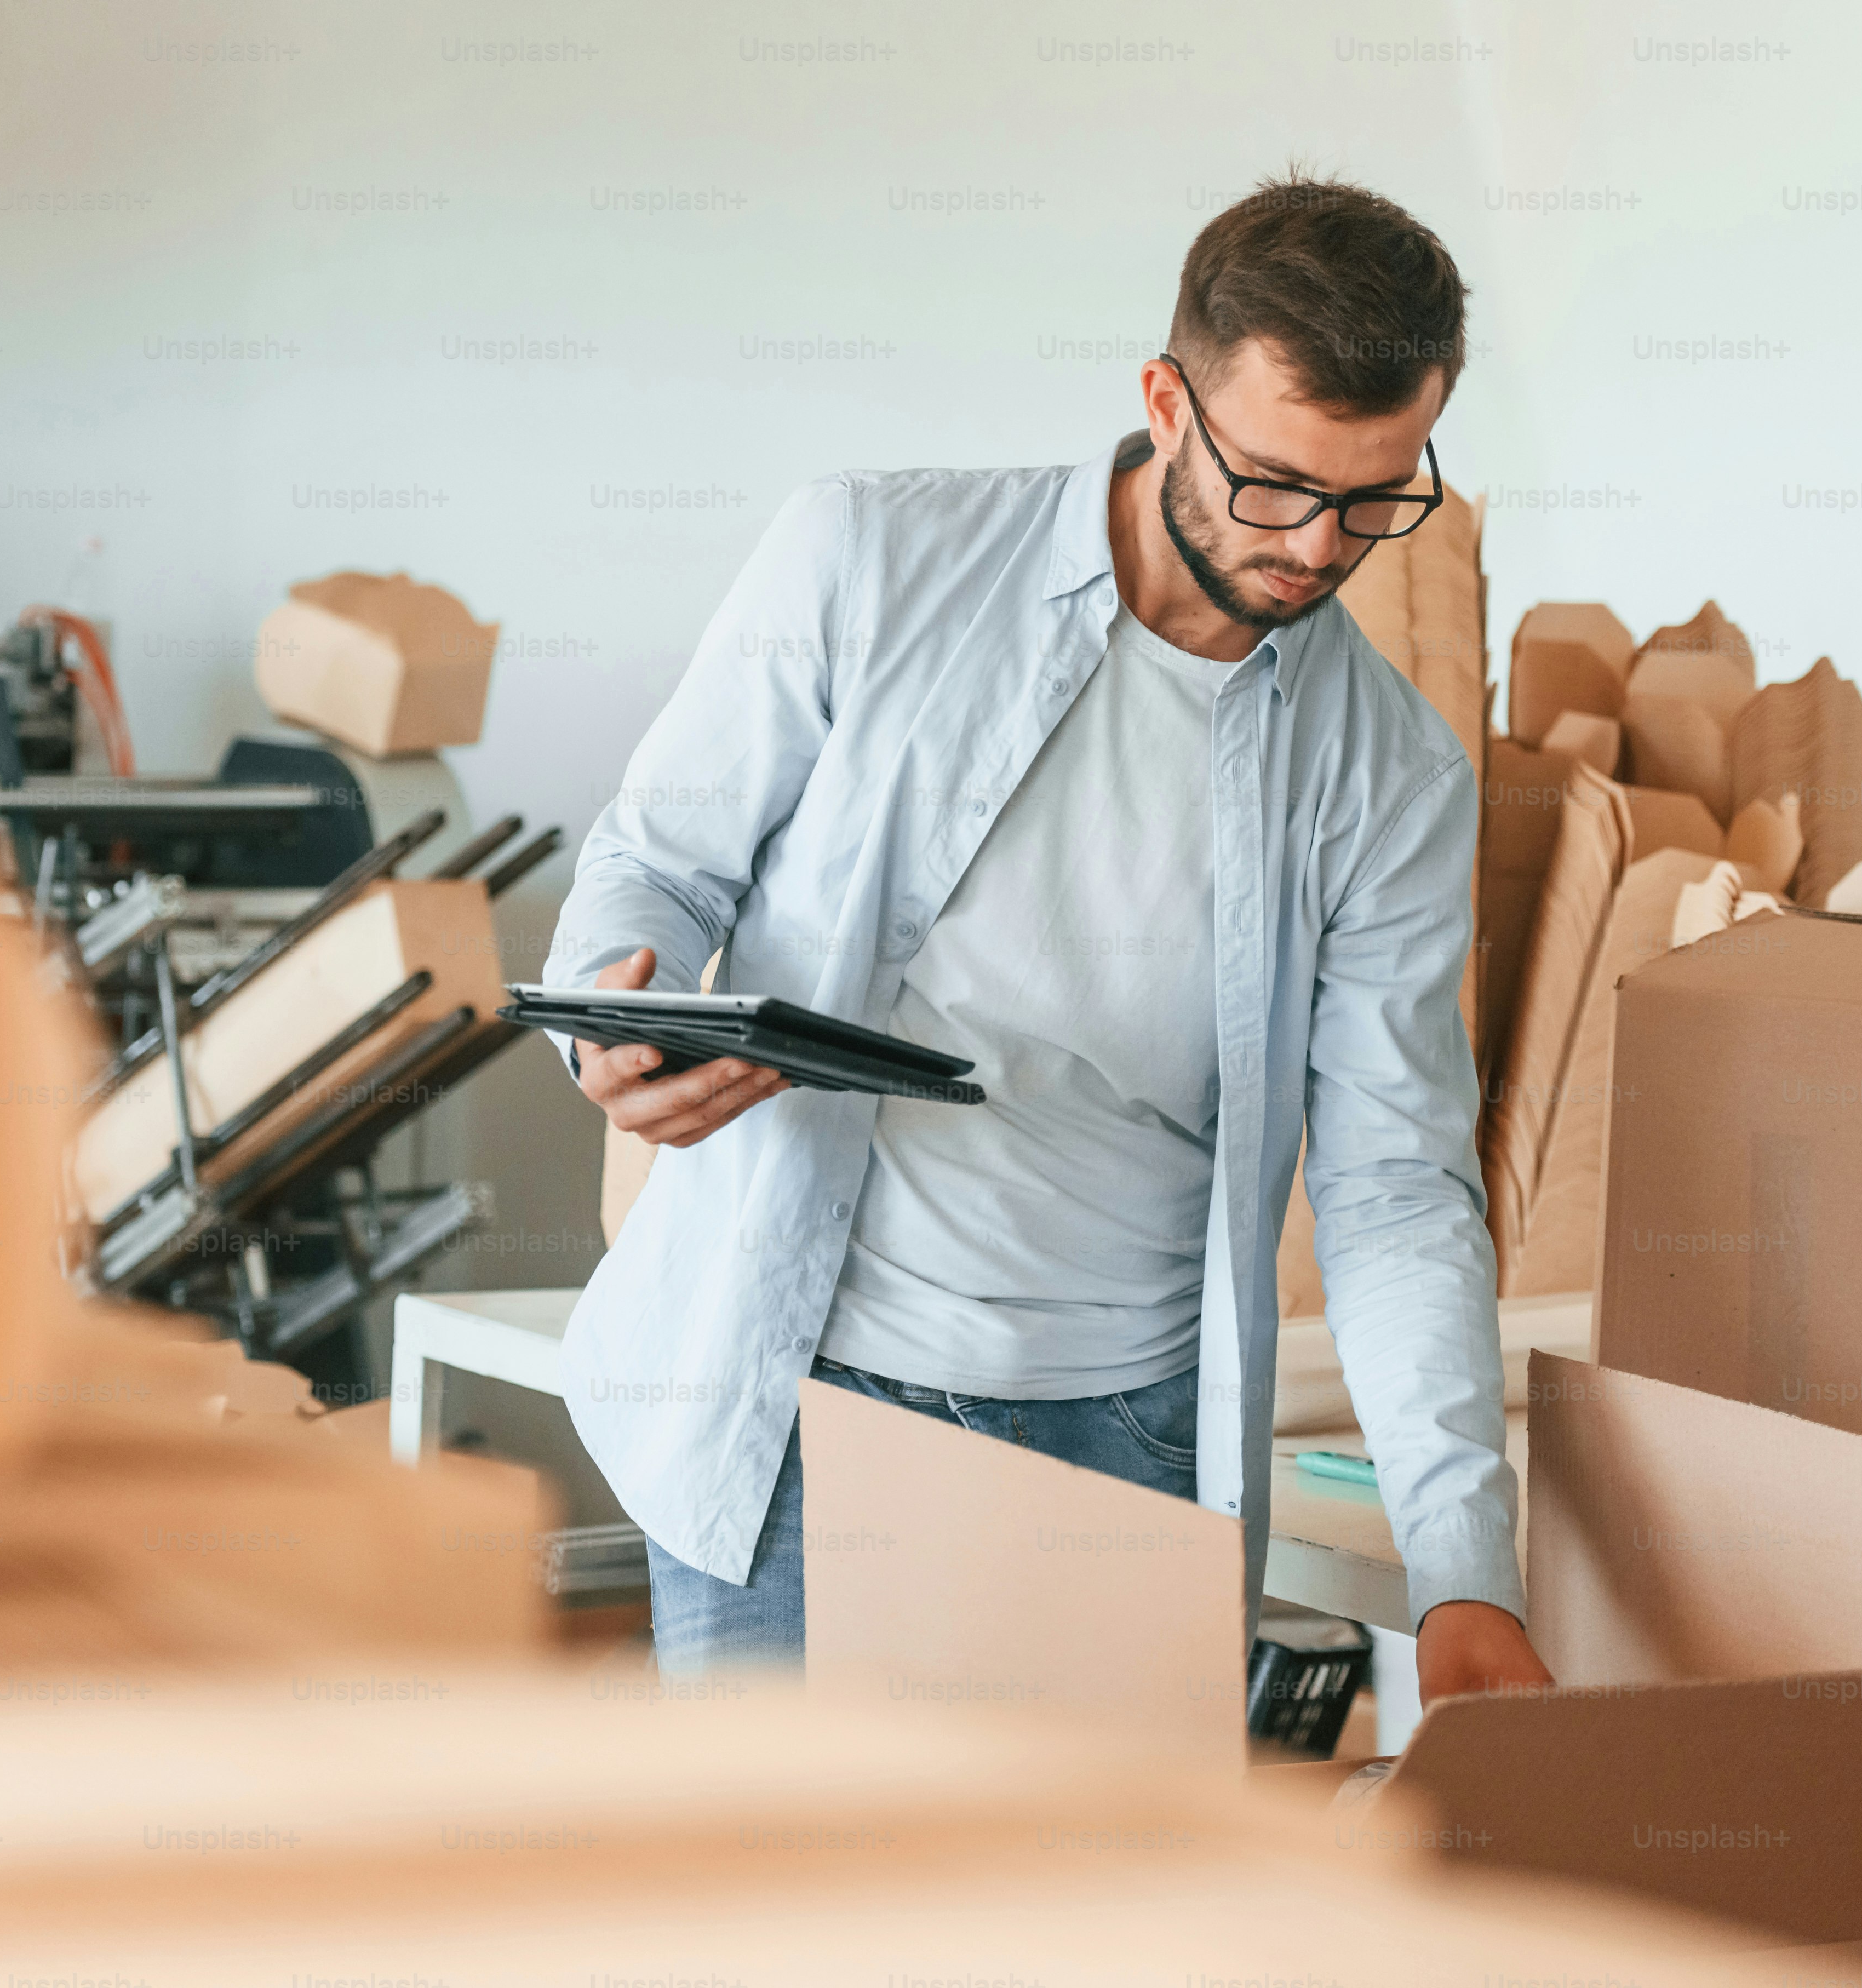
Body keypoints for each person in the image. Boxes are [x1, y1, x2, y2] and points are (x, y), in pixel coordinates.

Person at [544, 173, 1550, 1701]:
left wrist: (1466, 1574)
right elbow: (655, 866)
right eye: (1278, 483)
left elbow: (1395, 1189)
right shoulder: (865, 559)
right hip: (800, 1402)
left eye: (1377, 496)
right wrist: (610, 1024)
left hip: (1123, 1444)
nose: (1323, 546)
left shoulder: (1391, 776)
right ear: (1167, 400)